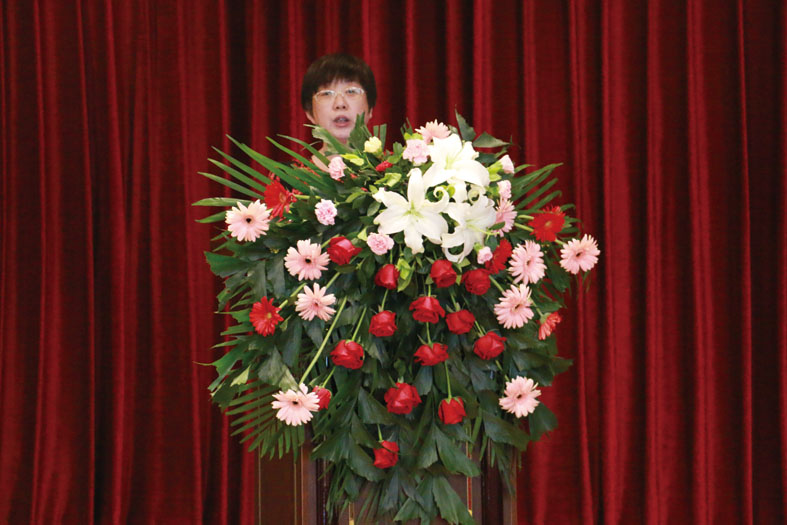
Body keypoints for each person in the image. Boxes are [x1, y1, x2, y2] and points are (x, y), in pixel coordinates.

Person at [300, 53, 377, 165]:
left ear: (370, 109)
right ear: (310, 113)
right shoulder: (286, 174)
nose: (340, 104)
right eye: (326, 93)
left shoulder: (399, 171)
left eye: (351, 91)